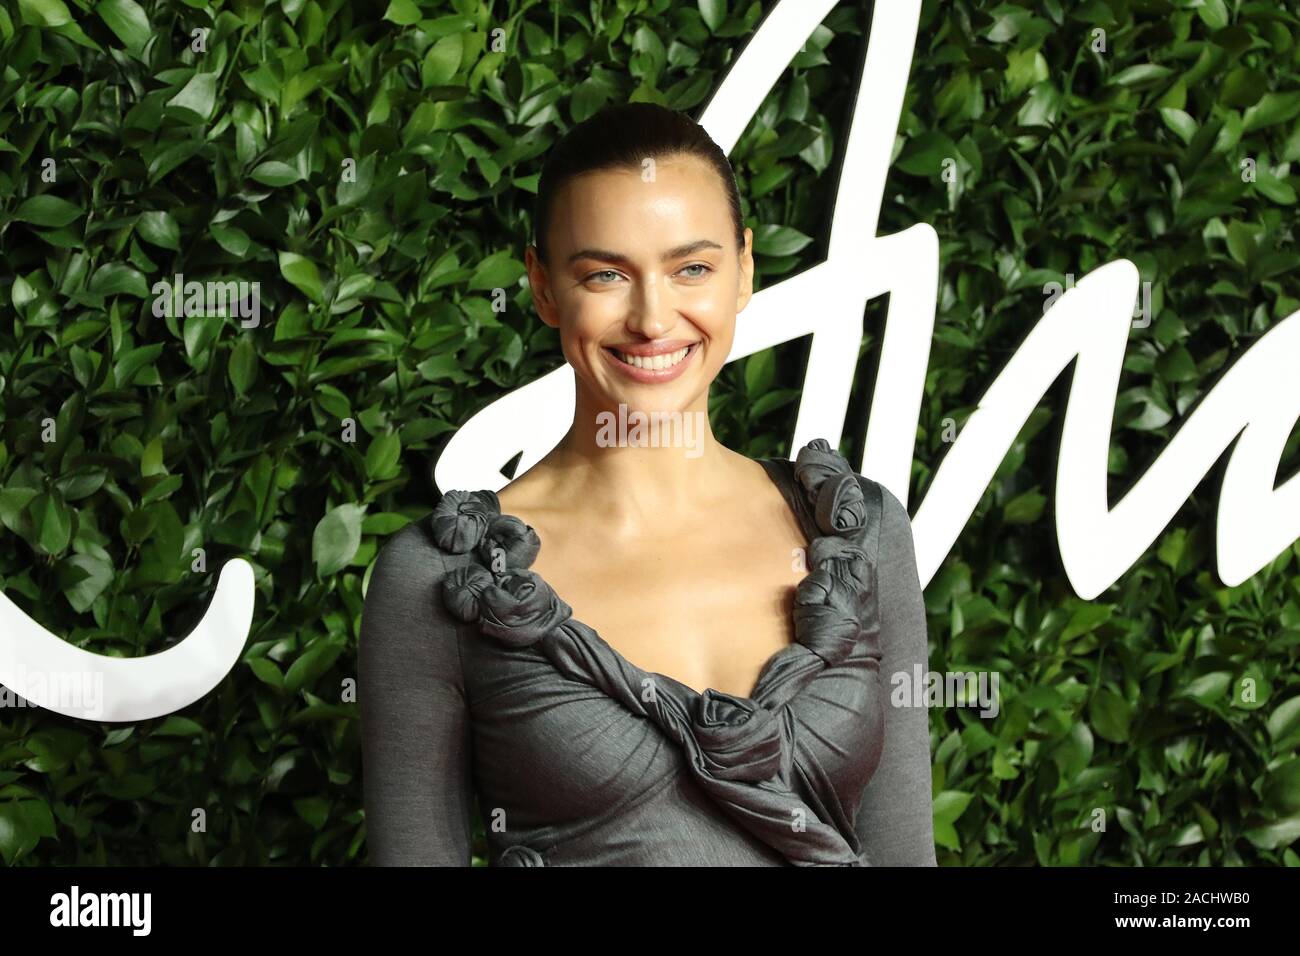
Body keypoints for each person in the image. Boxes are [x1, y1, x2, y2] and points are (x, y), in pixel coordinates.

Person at [359, 102, 936, 866]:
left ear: (744, 271)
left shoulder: (858, 535)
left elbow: (905, 855)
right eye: (605, 274)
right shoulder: (443, 577)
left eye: (691, 267)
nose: (653, 318)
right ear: (541, 287)